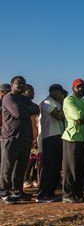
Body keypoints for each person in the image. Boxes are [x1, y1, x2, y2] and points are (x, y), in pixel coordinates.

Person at [0, 76, 40, 204]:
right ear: (12, 84)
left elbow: (36, 109)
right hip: (10, 138)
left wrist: (25, 110)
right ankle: (4, 193)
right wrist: (27, 110)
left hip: (25, 138)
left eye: (23, 84)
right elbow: (18, 113)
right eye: (18, 83)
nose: (21, 86)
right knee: (7, 168)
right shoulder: (8, 98)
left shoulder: (24, 98)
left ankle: (17, 191)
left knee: (20, 168)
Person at [61, 79, 84, 203]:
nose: (81, 89)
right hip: (71, 138)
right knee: (70, 168)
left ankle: (78, 193)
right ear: (73, 88)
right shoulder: (68, 100)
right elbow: (77, 115)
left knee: (81, 168)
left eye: (83, 87)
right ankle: (67, 195)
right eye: (78, 87)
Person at [36, 84, 66, 203]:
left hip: (58, 136)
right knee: (49, 167)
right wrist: (65, 105)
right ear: (54, 91)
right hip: (49, 136)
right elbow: (59, 116)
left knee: (56, 166)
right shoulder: (47, 102)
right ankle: (42, 194)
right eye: (60, 92)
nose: (62, 95)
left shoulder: (57, 103)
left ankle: (50, 192)